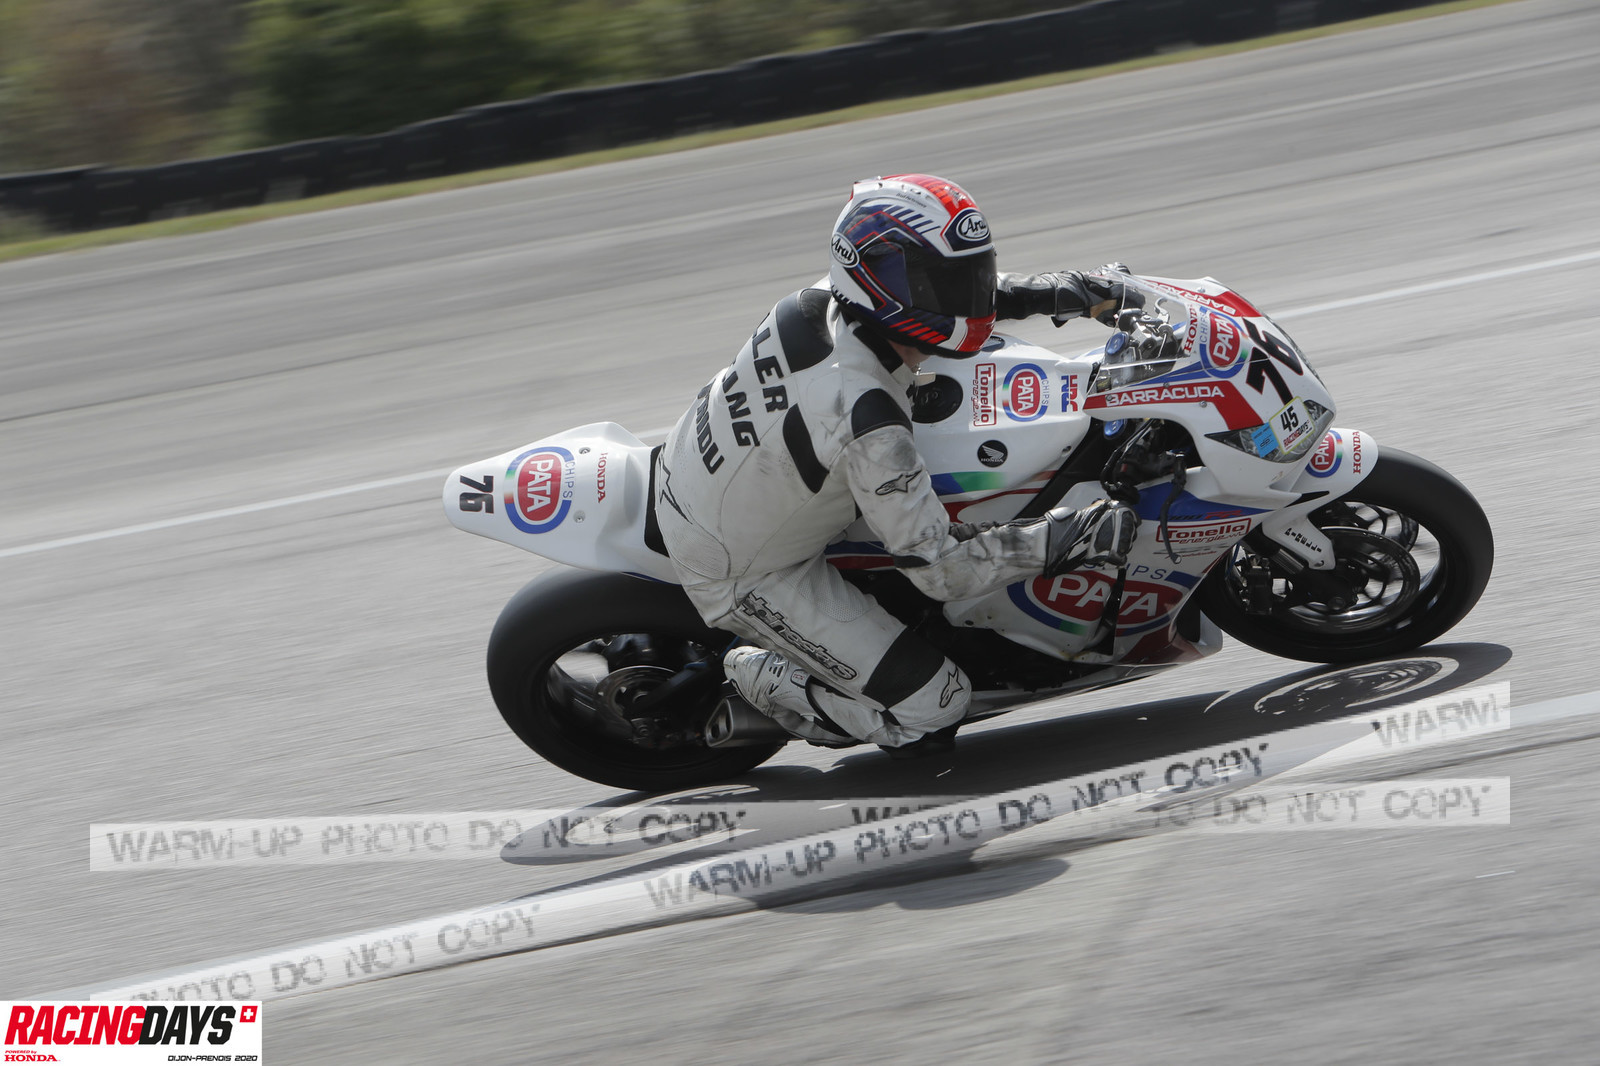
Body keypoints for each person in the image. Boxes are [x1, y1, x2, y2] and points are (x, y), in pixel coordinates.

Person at [653, 174, 1138, 755]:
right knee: (934, 707)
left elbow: (968, 303)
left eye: (972, 272)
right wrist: (1065, 538)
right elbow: (941, 569)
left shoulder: (820, 302)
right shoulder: (869, 419)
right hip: (743, 568)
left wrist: (1072, 290)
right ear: (879, 282)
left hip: (701, 467)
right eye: (943, 281)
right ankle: (755, 672)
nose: (970, 293)